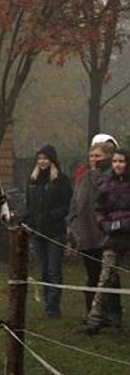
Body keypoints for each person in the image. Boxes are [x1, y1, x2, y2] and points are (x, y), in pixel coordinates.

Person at [68, 141, 115, 318]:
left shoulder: (110, 176)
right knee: (91, 275)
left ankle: (110, 314)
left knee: (108, 277)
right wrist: (72, 223)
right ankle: (92, 314)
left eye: (98, 156)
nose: (93, 159)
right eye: (91, 156)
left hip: (104, 234)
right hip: (85, 233)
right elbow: (75, 201)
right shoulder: (83, 176)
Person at [24, 145, 73, 317]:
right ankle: (47, 303)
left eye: (45, 158)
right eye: (39, 158)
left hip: (55, 232)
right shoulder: (32, 180)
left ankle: (53, 307)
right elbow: (29, 205)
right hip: (37, 232)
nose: (42, 161)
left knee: (54, 270)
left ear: (52, 160)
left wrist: (53, 216)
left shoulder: (62, 180)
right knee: (43, 269)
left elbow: (67, 205)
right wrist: (27, 220)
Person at [86, 149, 130, 334]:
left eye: (121, 161)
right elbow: (99, 209)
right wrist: (104, 224)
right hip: (112, 237)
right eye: (115, 161)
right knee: (106, 277)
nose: (118, 164)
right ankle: (95, 319)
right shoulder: (106, 185)